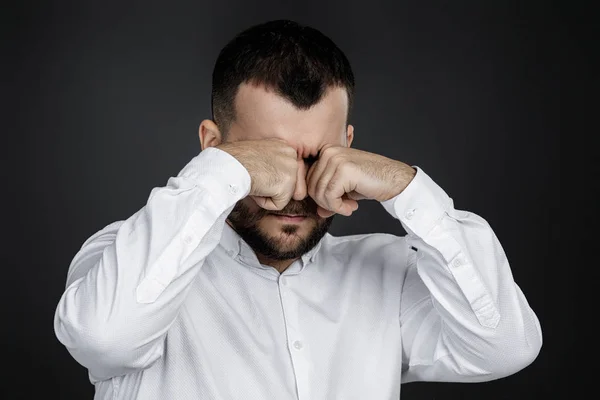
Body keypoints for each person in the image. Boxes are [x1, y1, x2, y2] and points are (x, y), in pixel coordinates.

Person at [54, 19, 542, 400]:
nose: (293, 190)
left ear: (349, 148)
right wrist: (223, 174)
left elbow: (503, 347)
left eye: (315, 158)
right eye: (269, 157)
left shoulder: (388, 274)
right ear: (213, 146)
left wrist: (406, 188)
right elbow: (104, 339)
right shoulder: (124, 256)